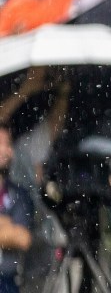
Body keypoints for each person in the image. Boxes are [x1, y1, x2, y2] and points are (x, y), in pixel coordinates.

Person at [0, 123, 34, 293]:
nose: (6, 151)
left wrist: (11, 233)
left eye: (8, 144)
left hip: (6, 282)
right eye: (0, 144)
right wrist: (5, 226)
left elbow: (23, 238)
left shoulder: (18, 194)